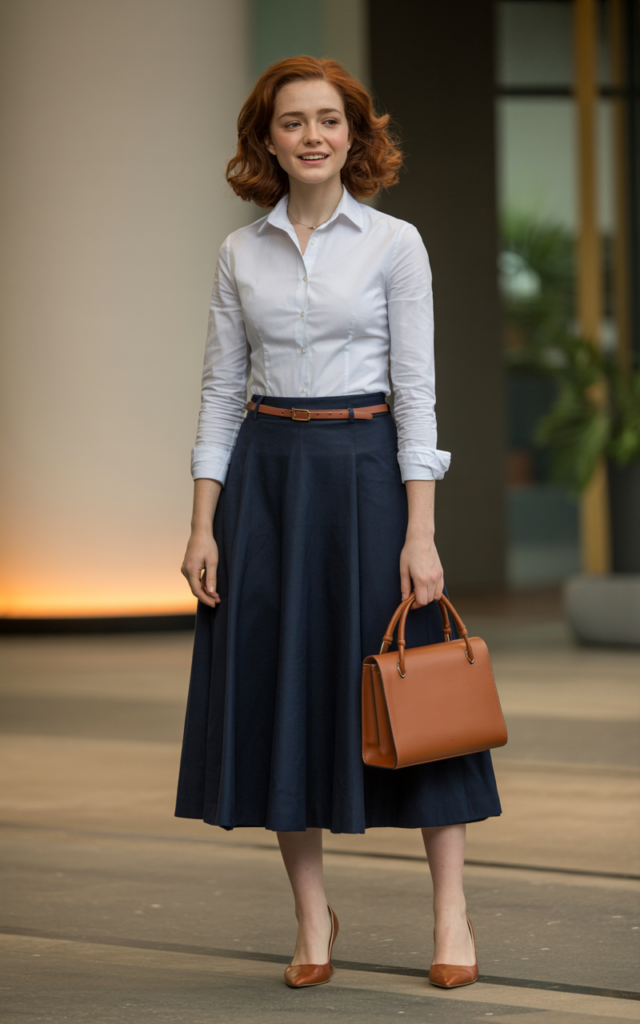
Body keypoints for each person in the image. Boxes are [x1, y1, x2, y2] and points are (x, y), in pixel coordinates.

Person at [175, 55, 501, 991]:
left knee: (418, 692)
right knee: (285, 689)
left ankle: (451, 913)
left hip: (367, 476)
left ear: (354, 135)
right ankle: (312, 918)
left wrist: (421, 530)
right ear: (266, 140)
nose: (311, 135)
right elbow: (218, 396)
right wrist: (204, 525)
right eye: (292, 122)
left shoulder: (396, 243)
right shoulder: (241, 254)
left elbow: (418, 395)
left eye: (328, 119)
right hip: (267, 485)